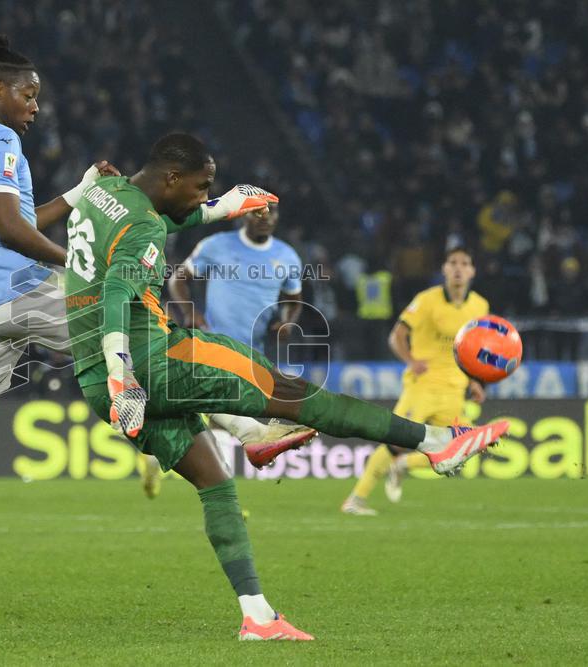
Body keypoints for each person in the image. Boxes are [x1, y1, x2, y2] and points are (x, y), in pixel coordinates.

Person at [0, 31, 316, 622]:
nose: (36, 106)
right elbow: (14, 233)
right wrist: (79, 264)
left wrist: (78, 192)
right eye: (29, 94)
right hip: (19, 290)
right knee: (148, 336)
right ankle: (250, 431)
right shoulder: (3, 142)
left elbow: (7, 221)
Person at [61, 133, 509, 640]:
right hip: (155, 361)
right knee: (298, 396)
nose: (203, 194)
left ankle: (257, 615)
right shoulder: (142, 223)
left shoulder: (108, 193)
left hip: (92, 379)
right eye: (201, 186)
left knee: (214, 482)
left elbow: (176, 217)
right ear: (170, 177)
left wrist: (228, 205)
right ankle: (435, 444)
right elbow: (121, 293)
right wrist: (126, 378)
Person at [158, 203, 313, 496]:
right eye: (258, 213)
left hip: (250, 352)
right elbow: (178, 278)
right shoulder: (216, 245)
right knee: (217, 408)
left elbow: (294, 299)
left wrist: (286, 323)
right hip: (211, 343)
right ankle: (236, 467)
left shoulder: (287, 256)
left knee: (214, 420)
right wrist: (191, 314)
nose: (265, 219)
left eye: (272, 214)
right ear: (245, 216)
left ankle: (159, 462)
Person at [341, 246, 489, 516]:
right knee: (394, 441)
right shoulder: (426, 300)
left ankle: (404, 466)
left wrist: (475, 380)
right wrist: (411, 361)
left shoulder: (480, 306)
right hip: (422, 386)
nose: (458, 268)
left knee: (468, 446)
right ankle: (355, 499)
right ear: (444, 269)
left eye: (464, 263)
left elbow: (469, 348)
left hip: (454, 390)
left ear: (472, 271)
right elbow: (396, 336)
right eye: (452, 262)